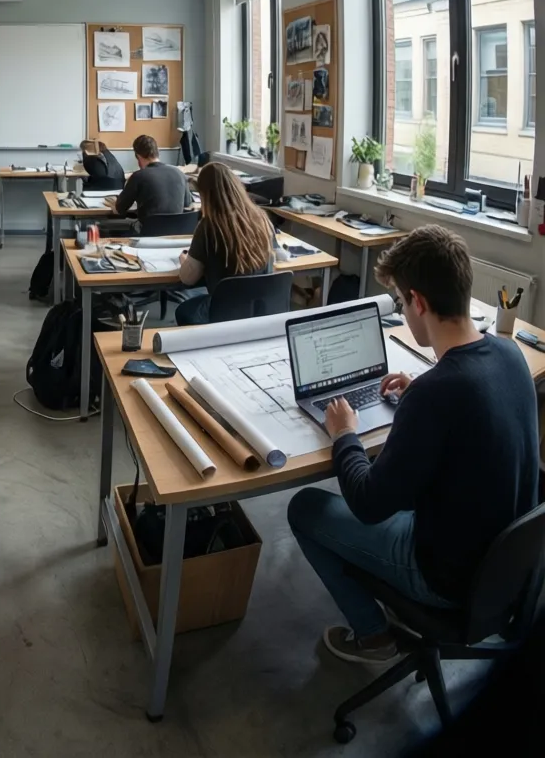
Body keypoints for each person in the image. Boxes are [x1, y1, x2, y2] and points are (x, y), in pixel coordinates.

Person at [287, 225, 539, 665]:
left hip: (446, 578)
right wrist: (419, 390)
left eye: (402, 303)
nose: (404, 311)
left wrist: (344, 433)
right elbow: (466, 399)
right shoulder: (509, 354)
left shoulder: (435, 394)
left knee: (305, 508)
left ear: (418, 302)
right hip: (503, 568)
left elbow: (369, 503)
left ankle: (372, 635)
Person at [174, 161, 277, 325]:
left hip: (224, 310)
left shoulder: (208, 226)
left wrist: (184, 261)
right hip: (258, 308)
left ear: (206, 195)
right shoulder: (262, 218)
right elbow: (274, 259)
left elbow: (188, 279)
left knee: (184, 310)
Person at [111, 134, 192, 219]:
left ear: (138, 156)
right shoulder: (179, 173)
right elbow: (187, 204)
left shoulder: (138, 176)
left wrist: (114, 204)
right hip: (178, 230)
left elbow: (120, 209)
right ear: (157, 152)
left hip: (148, 230)